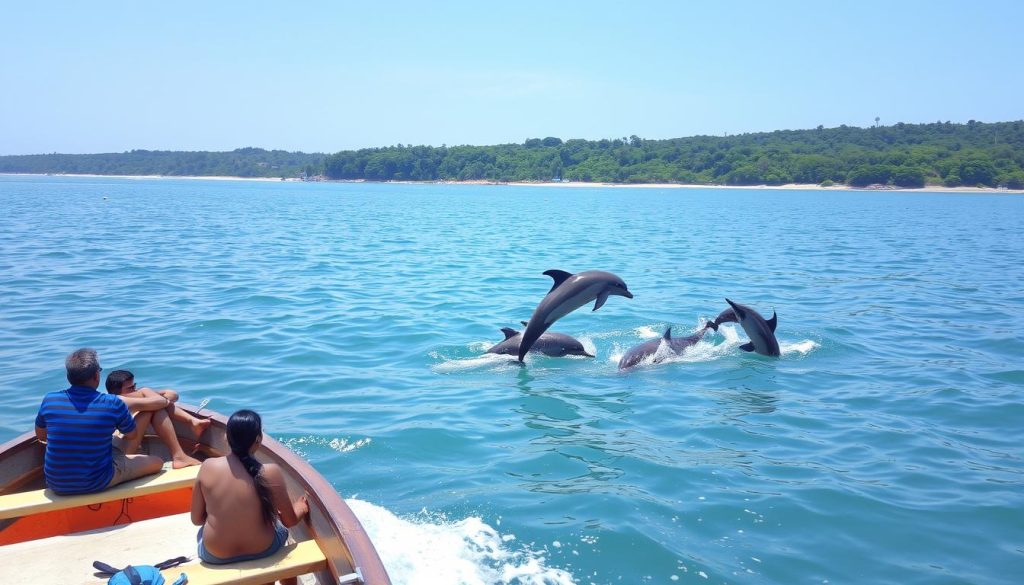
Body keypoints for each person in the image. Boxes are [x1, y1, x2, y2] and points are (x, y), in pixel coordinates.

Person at [191, 409, 308, 581]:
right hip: (263, 549)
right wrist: (302, 508)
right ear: (259, 439)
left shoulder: (208, 466)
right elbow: (289, 521)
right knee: (286, 539)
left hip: (215, 555)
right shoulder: (270, 472)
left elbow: (197, 520)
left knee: (203, 532)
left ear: (226, 437)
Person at [34, 348, 163, 495]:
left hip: (56, 483)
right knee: (157, 462)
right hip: (97, 481)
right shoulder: (112, 403)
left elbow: (41, 435)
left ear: (69, 376)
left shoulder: (50, 400)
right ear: (96, 375)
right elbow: (132, 435)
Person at [105, 369, 209, 468]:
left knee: (155, 406)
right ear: (116, 393)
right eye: (130, 388)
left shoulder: (137, 399)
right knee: (153, 408)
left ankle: (190, 429)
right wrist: (148, 395)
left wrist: (149, 397)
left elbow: (173, 394)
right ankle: (180, 452)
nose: (135, 390)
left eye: (135, 386)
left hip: (124, 446)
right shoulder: (115, 404)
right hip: (118, 453)